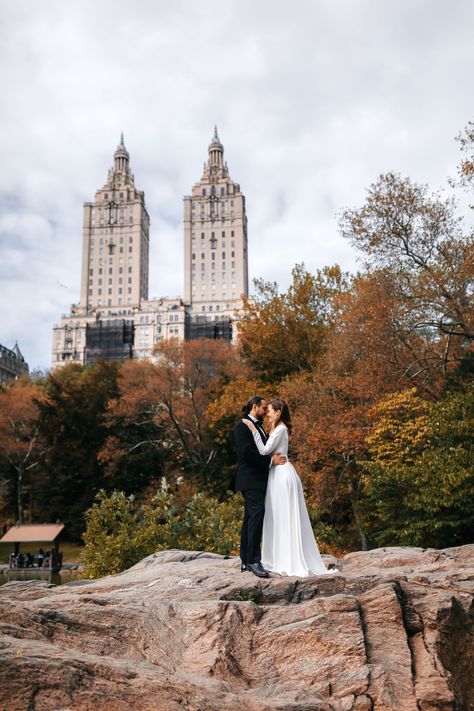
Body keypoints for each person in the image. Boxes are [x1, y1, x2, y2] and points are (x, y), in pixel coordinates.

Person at [242, 398, 336, 577]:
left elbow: (263, 451)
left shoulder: (280, 429)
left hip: (281, 475)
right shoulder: (279, 428)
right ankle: (280, 556)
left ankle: (286, 558)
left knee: (282, 516)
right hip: (279, 472)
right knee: (279, 515)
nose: (266, 413)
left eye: (269, 410)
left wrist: (253, 429)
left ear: (277, 412)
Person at [233, 396, 287, 578]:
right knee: (257, 515)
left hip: (258, 479)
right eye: (264, 408)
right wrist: (270, 461)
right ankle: (254, 561)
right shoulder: (242, 426)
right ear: (254, 407)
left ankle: (246, 560)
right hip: (250, 480)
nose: (265, 411)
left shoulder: (258, 427)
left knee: (250, 518)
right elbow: (246, 454)